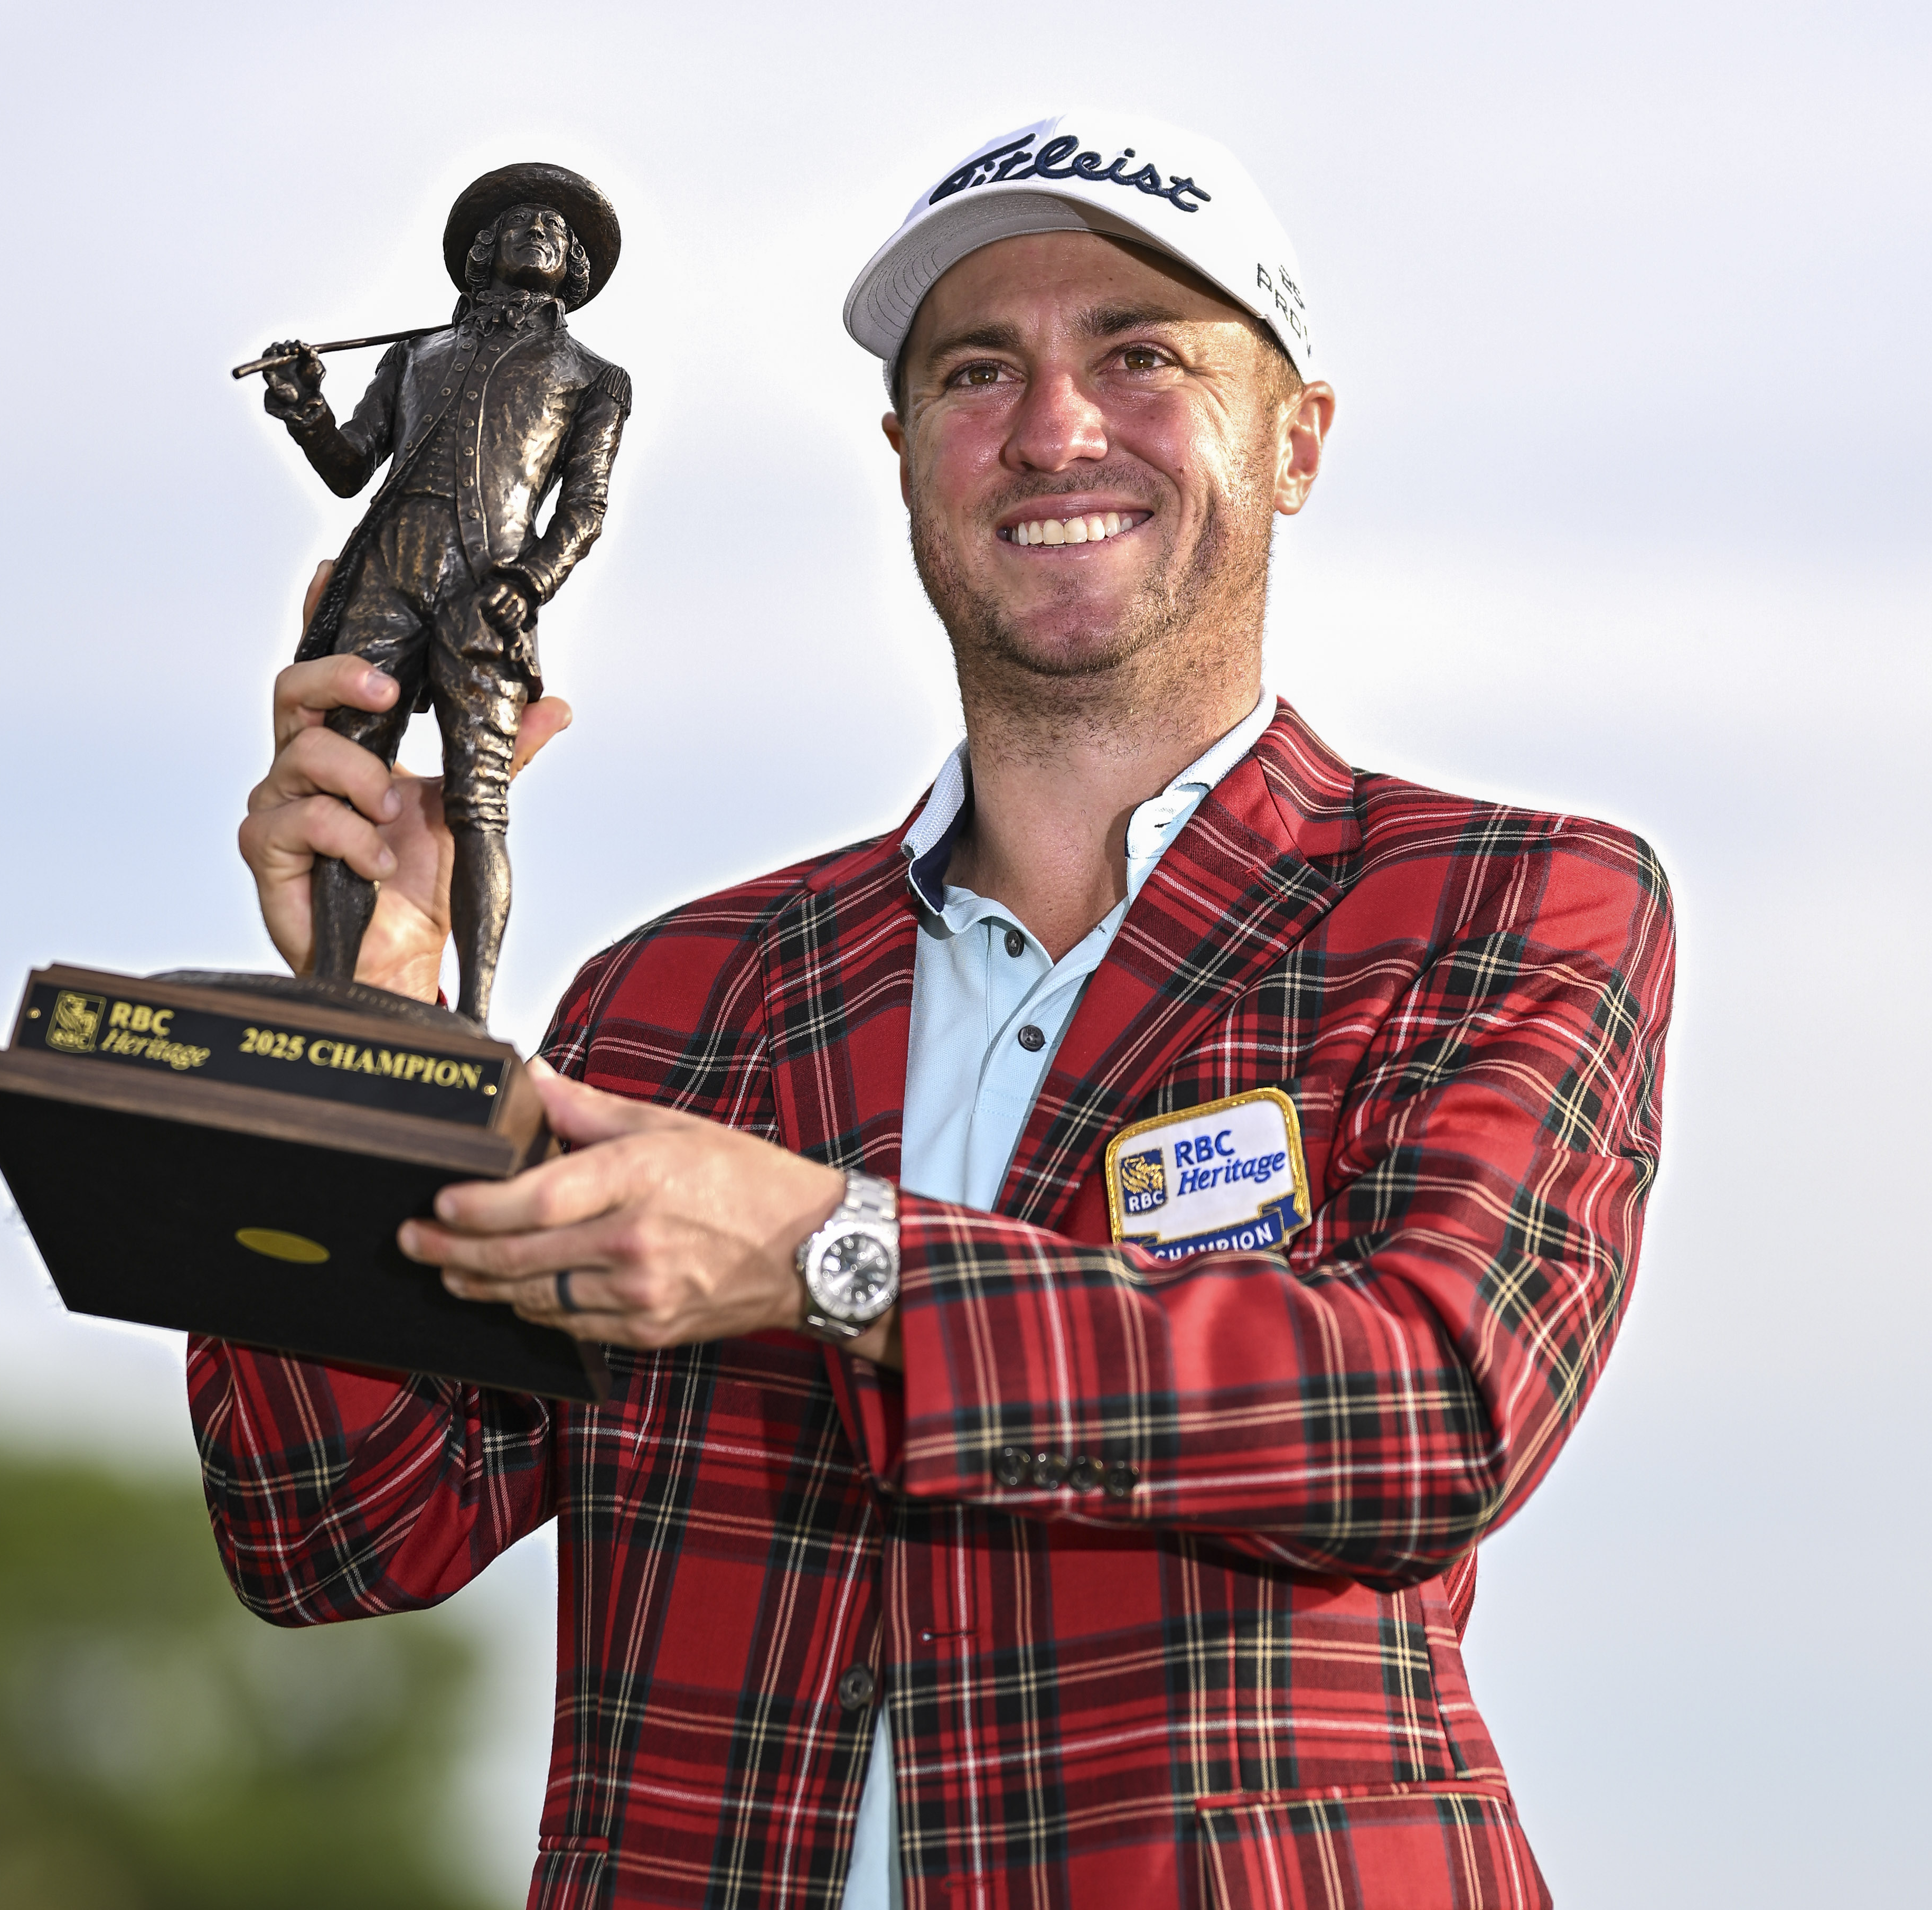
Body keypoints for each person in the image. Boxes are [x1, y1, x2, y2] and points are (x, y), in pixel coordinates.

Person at [200, 112, 1675, 1909]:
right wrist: (376, 1045)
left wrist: (835, 1253)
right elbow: (339, 1526)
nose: (1054, 426)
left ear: (1297, 441)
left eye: (1139, 354)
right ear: (905, 455)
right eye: (981, 369)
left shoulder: (1500, 902)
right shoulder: (679, 1001)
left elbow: (1426, 1405)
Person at [255, 161, 632, 1028]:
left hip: (487, 588)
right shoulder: (415, 351)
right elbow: (352, 468)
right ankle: (334, 998)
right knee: (345, 787)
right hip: (387, 566)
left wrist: (533, 580)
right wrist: (305, 408)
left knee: (480, 802)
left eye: (557, 230)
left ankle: (473, 1020)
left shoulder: (595, 377)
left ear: (572, 268)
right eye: (519, 223)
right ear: (482, 253)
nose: (539, 231)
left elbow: (585, 508)